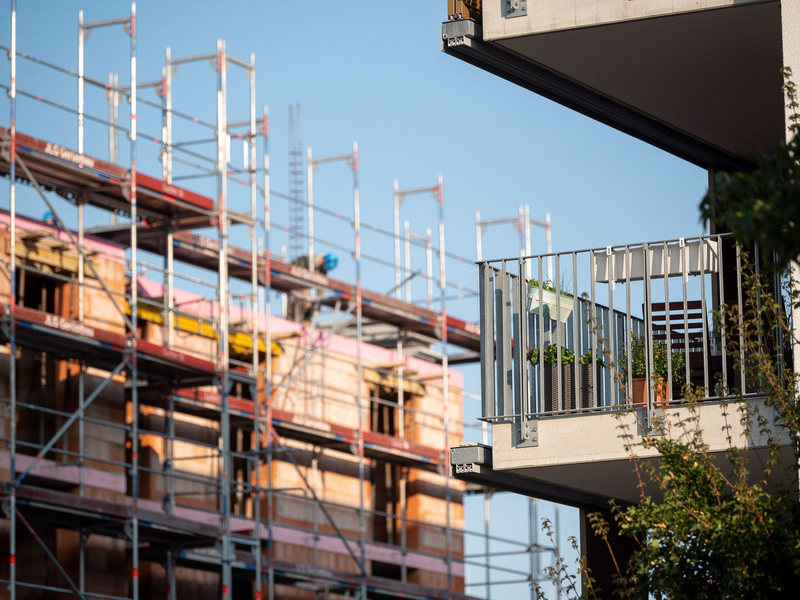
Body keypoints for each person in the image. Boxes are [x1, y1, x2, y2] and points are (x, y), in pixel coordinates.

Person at [287, 253, 338, 323]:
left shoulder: (323, 271)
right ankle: (291, 321)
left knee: (310, 305)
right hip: (295, 285)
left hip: (303, 288)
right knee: (298, 304)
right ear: (323, 260)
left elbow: (321, 290)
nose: (323, 268)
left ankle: (305, 323)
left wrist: (318, 303)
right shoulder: (307, 261)